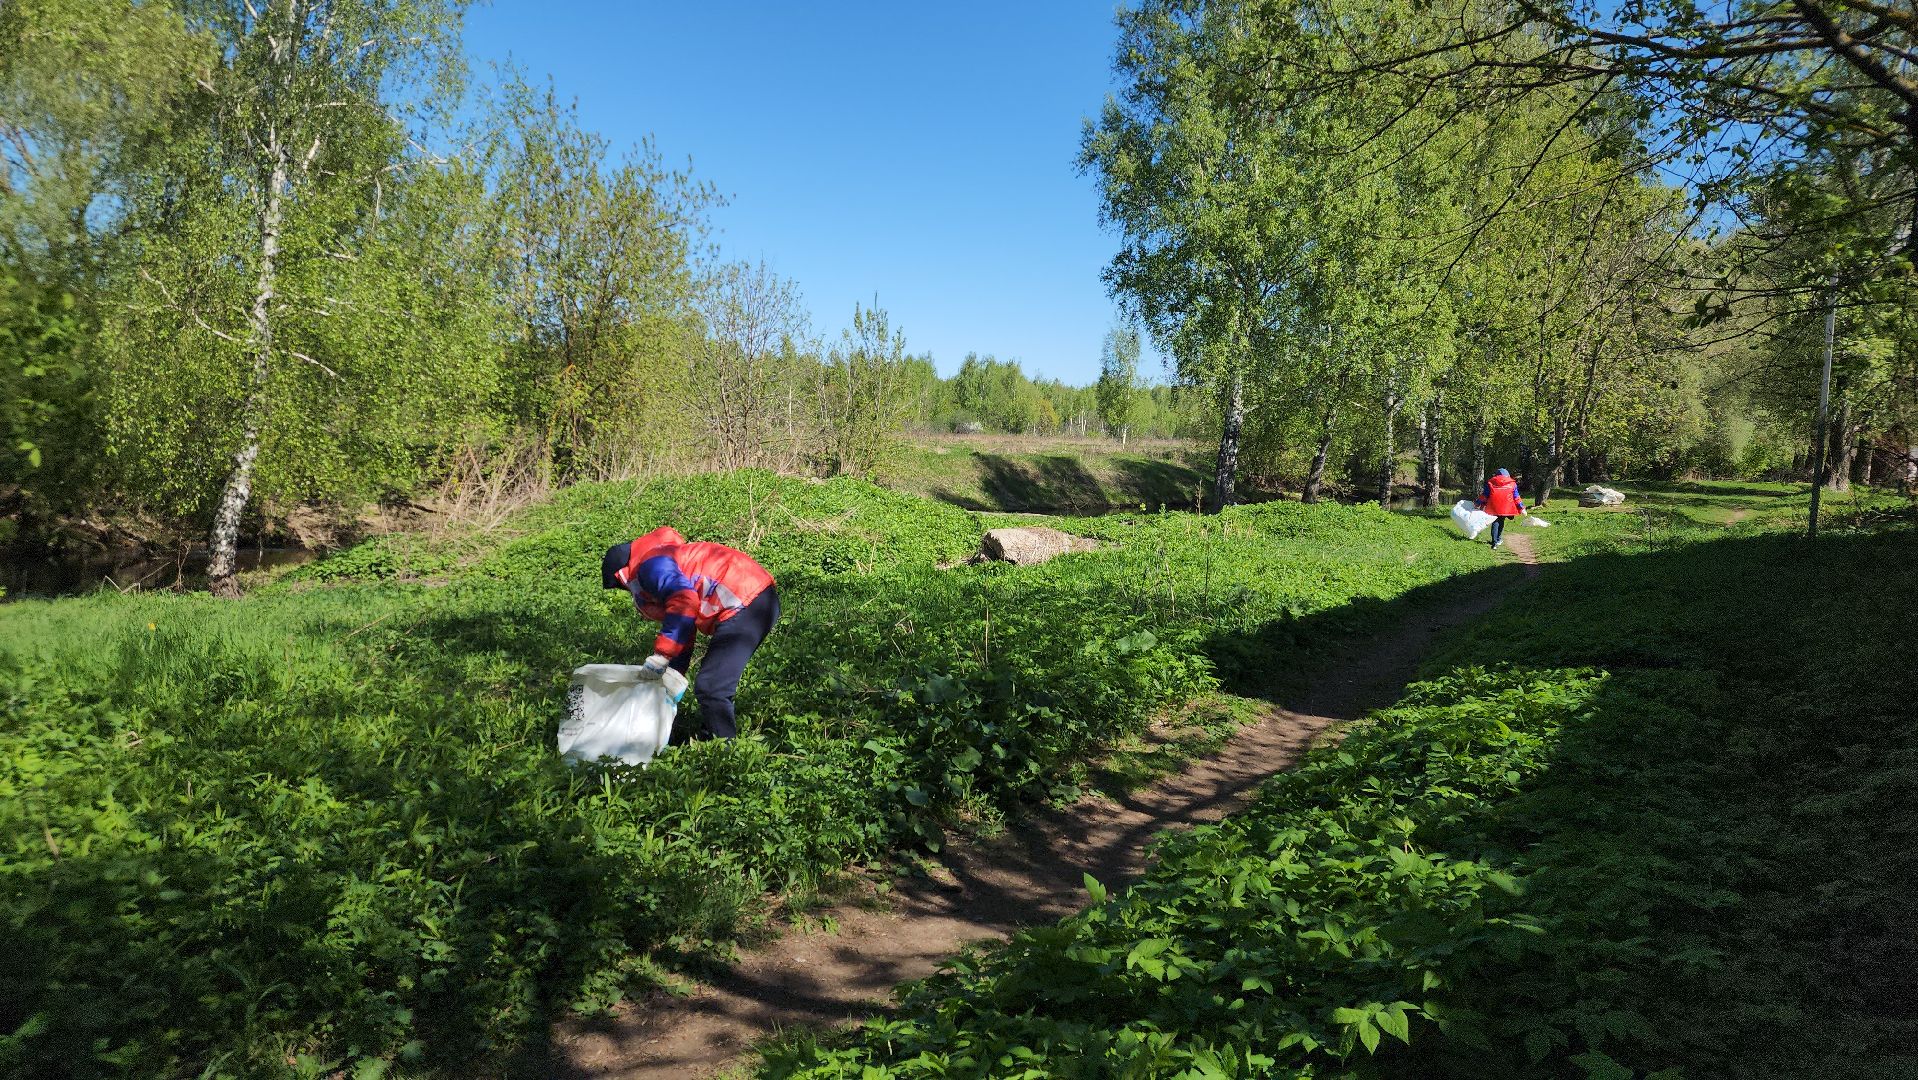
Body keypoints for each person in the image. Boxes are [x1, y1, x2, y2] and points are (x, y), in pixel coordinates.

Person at [601, 527, 778, 740]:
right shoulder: (666, 558)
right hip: (758, 597)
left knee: (712, 687)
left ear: (623, 576)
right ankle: (712, 744)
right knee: (712, 685)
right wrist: (671, 673)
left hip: (747, 600)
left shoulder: (650, 567)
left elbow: (684, 603)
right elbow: (685, 626)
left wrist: (661, 656)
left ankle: (725, 758)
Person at [1476, 468, 1526, 549]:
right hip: (1506, 507)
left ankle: (1494, 543)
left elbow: (1484, 495)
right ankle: (1498, 539)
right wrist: (1522, 508)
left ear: (1496, 475)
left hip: (1493, 507)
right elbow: (1516, 497)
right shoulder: (1512, 484)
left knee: (1495, 522)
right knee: (1501, 521)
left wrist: (1478, 503)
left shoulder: (1490, 483)